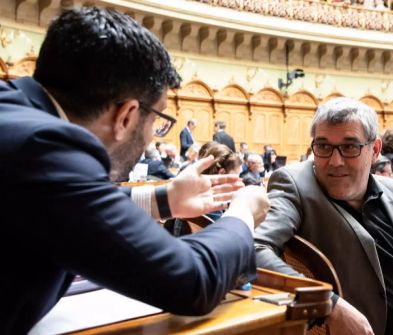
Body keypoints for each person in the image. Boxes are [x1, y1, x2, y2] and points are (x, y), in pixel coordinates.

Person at [0, 7, 271, 334]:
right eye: (157, 120)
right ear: (127, 115)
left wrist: (167, 197)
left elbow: (67, 203)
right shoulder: (48, 147)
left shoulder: (16, 109)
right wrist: (242, 212)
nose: (151, 134)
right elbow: (189, 281)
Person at [254, 97, 393, 335]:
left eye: (349, 147)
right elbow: (252, 249)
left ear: (374, 150)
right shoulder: (295, 185)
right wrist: (328, 304)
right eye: (323, 146)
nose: (335, 161)